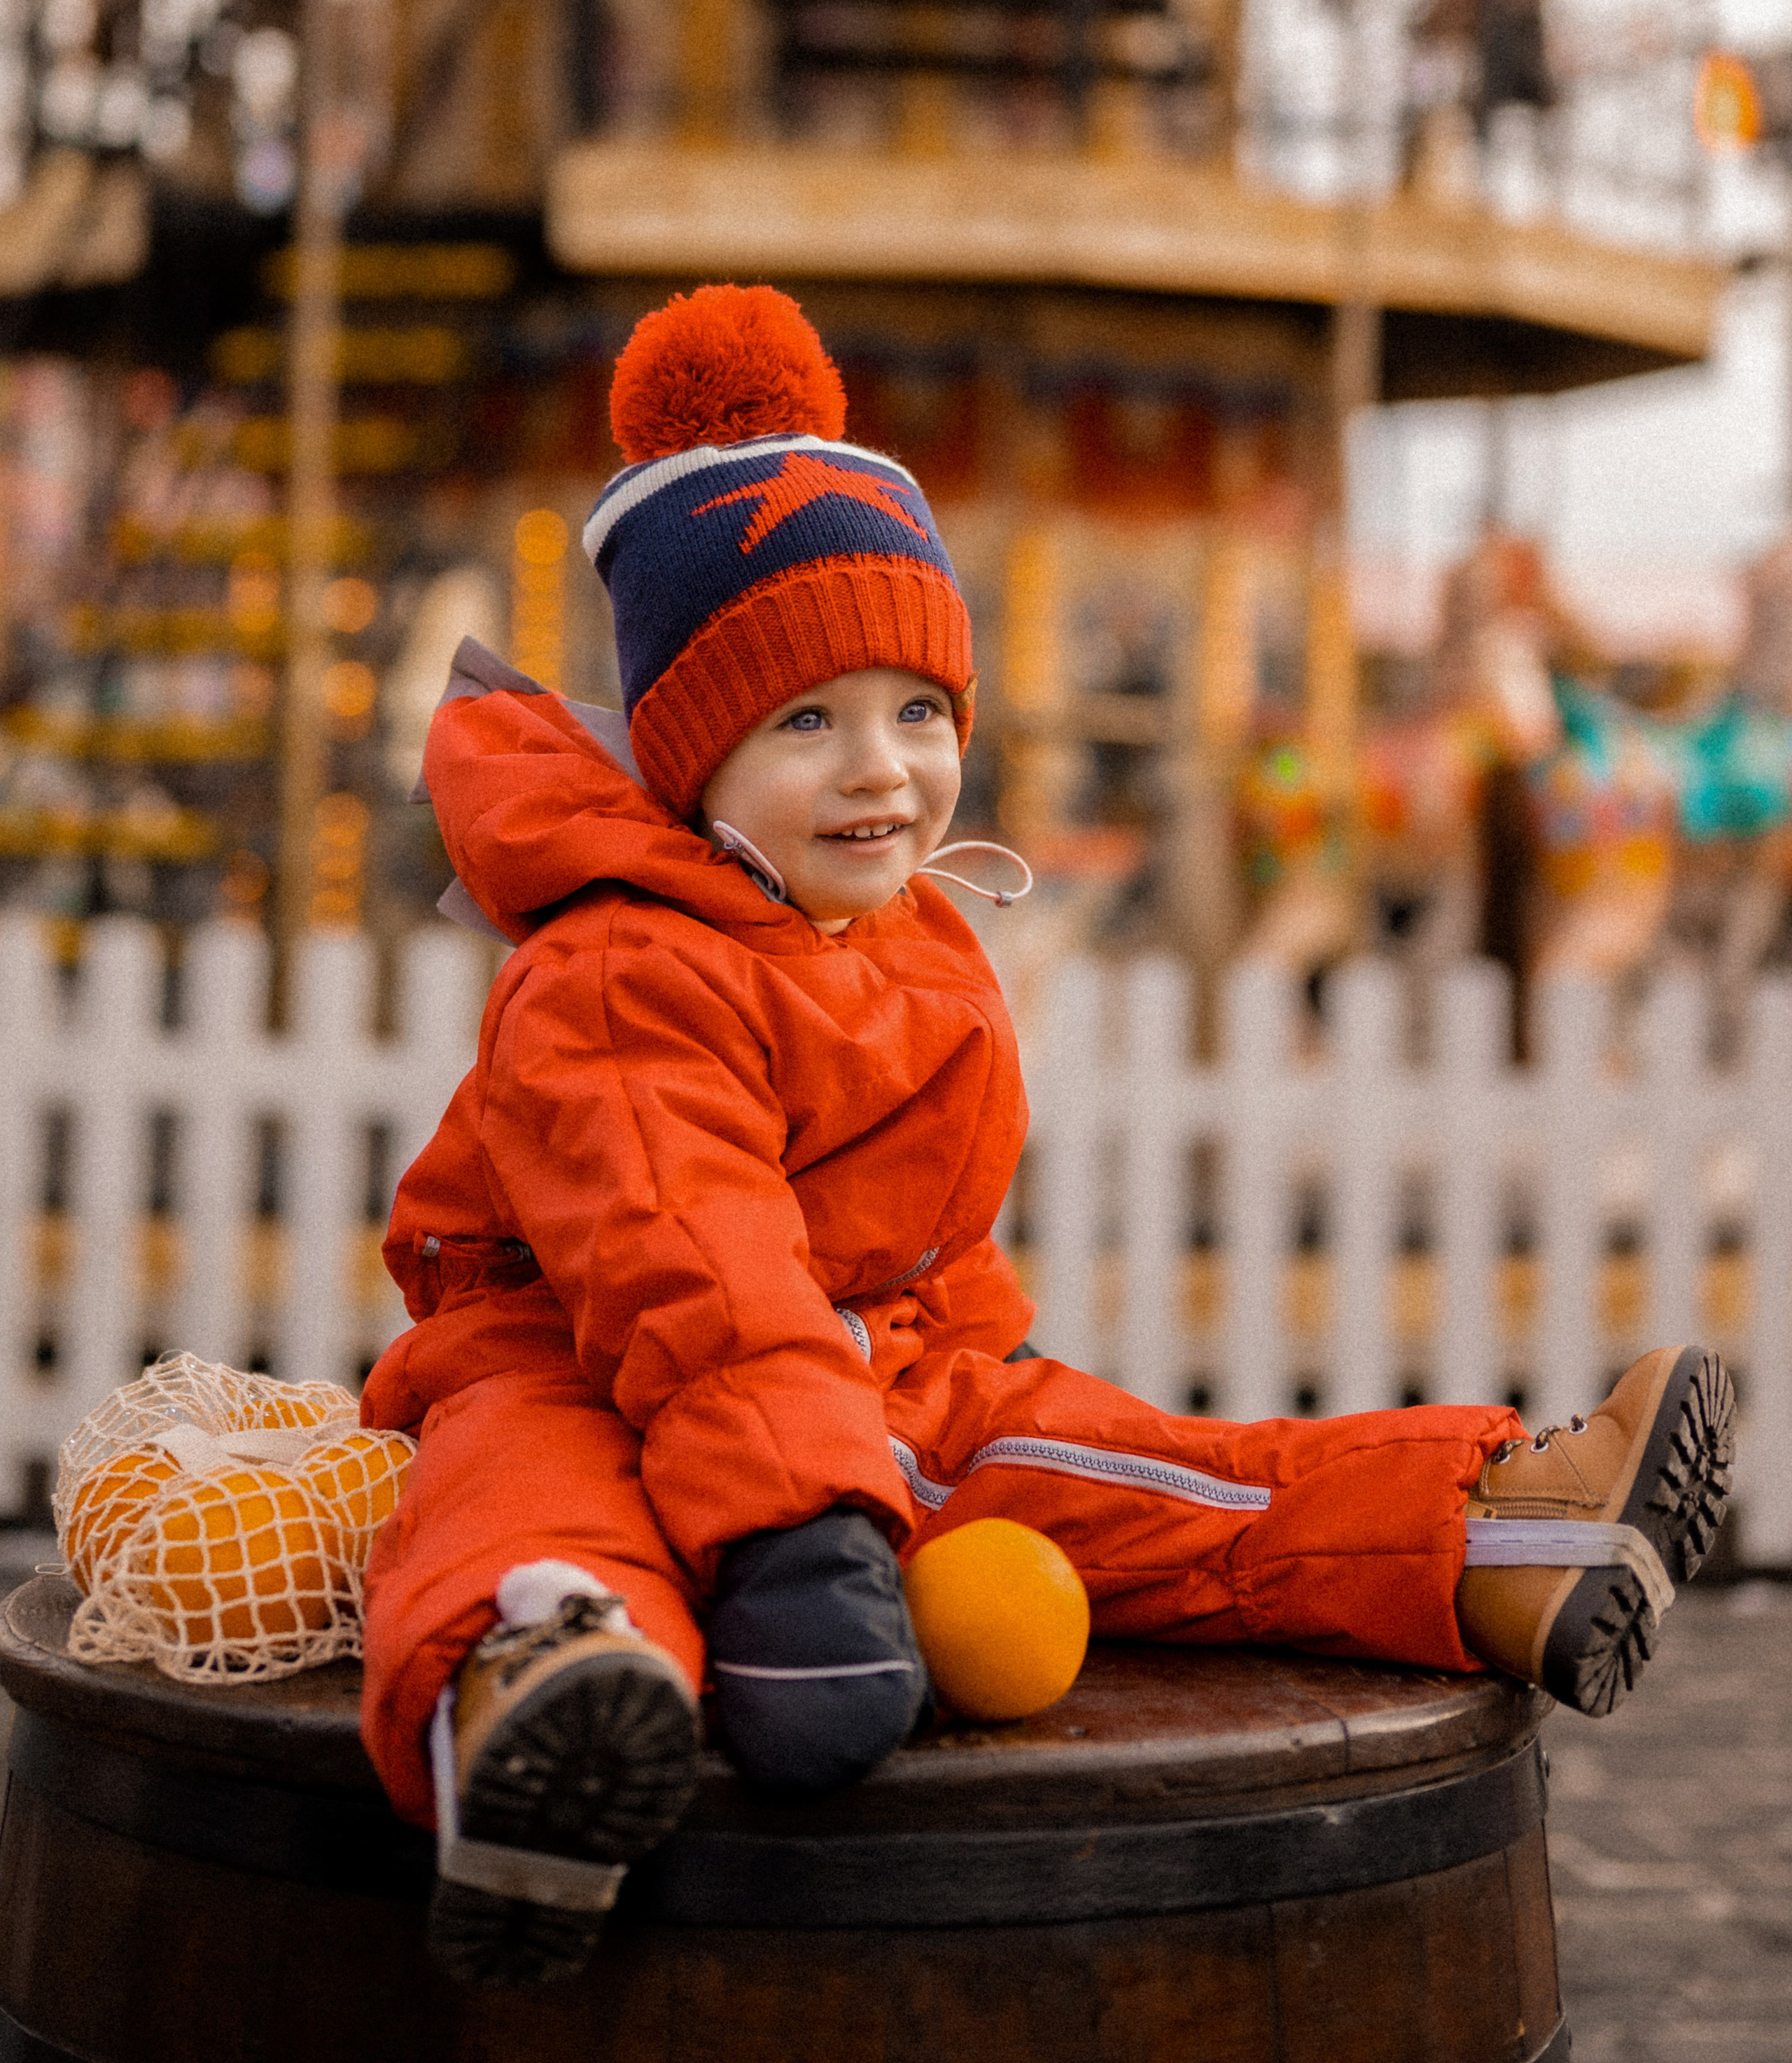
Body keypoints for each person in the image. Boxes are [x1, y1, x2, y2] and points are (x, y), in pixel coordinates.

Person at [359, 284, 1734, 1992]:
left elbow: (930, 1234)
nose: (882, 773)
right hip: (577, 1350)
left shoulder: (906, 935)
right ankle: (543, 1709)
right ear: (686, 753)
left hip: (860, 1382)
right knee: (521, 1498)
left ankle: (1489, 1538)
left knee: (1130, 1470)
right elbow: (684, 1256)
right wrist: (802, 1549)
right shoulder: (621, 965)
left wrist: (982, 1404)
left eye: (917, 713)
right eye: (805, 722)